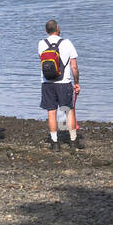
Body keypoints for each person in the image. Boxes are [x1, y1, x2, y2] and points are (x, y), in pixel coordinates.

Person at [39, 19, 83, 151]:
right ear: (58, 28)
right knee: (68, 111)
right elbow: (74, 67)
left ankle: (55, 143)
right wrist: (77, 83)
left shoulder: (41, 44)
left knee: (51, 112)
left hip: (47, 83)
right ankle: (73, 141)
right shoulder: (67, 43)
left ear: (47, 30)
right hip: (64, 83)